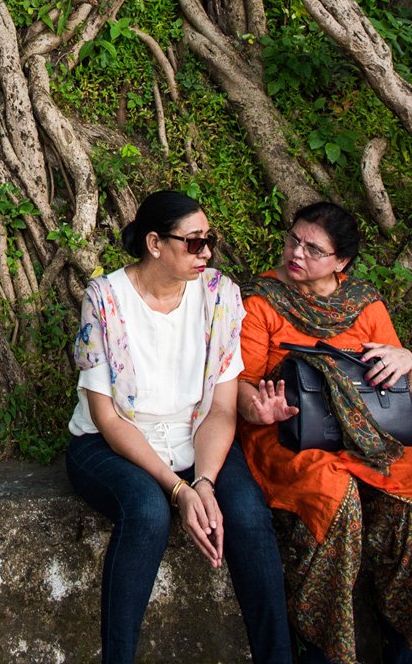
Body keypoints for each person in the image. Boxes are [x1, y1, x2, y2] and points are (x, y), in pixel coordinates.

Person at [65, 189, 291, 664]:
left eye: (209, 240)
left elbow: (222, 409)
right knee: (148, 513)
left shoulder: (220, 298)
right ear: (154, 244)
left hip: (195, 437)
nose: (205, 252)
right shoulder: (106, 300)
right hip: (111, 443)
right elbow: (106, 416)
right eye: (193, 242)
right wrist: (179, 490)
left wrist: (205, 481)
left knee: (247, 516)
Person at [238, 200, 412, 664]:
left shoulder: (364, 303)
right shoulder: (262, 300)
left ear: (341, 263)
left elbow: (395, 372)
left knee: (408, 496)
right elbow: (239, 383)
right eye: (294, 238)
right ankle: (322, 647)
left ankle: (403, 642)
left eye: (313, 249)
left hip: (367, 436)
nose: (296, 252)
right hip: (286, 433)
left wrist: (408, 357)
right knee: (336, 499)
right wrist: (258, 409)